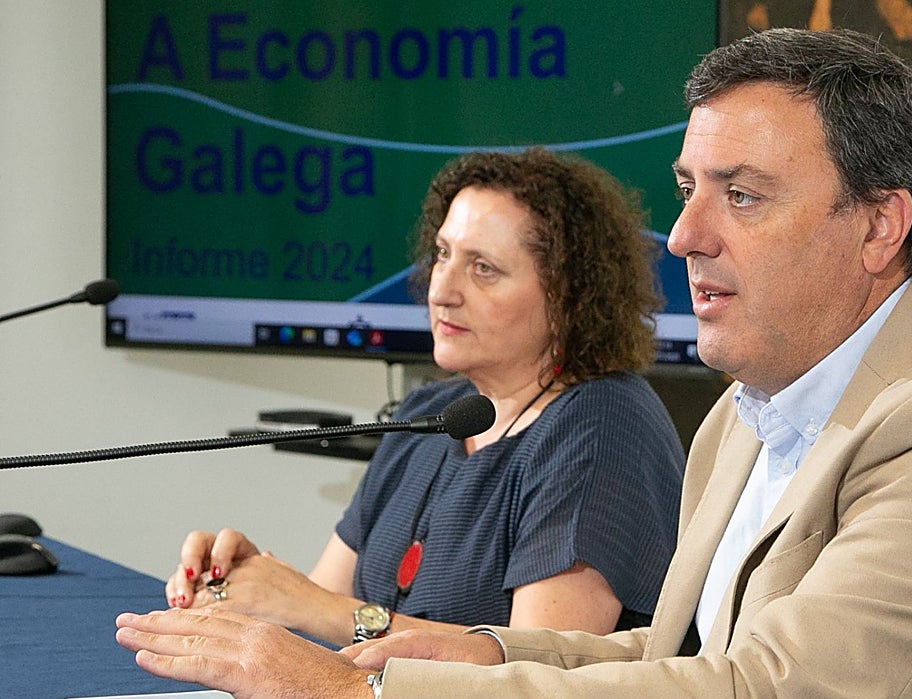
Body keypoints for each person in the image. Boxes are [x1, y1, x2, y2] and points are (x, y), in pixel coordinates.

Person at [115, 28, 912, 699]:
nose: (686, 236)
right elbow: (674, 659)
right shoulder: (751, 410)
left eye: (742, 195)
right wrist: (438, 655)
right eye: (691, 192)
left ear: (879, 226)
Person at [162, 148, 685, 645]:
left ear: (568, 296)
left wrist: (311, 607)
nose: (441, 290)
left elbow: (541, 660)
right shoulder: (427, 416)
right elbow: (322, 608)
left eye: (483, 268)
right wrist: (248, 589)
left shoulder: (603, 424)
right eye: (443, 255)